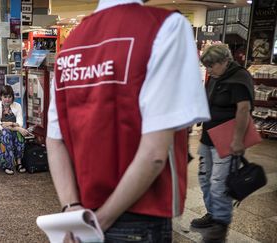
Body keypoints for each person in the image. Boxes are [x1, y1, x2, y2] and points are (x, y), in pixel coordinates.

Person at [46, 0, 210, 242]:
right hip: (139, 215)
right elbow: (154, 153)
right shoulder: (166, 27)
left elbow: (54, 140)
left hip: (81, 215)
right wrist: (103, 220)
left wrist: (71, 207)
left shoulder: (71, 45)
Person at [191, 44, 254, 242]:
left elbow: (243, 109)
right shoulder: (217, 76)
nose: (208, 70)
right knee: (204, 178)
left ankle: (221, 221)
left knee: (219, 183)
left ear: (225, 61)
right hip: (209, 135)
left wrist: (237, 140)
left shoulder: (239, 77)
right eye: (206, 66)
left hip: (227, 137)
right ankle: (212, 213)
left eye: (211, 66)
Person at [0, 85, 30, 175]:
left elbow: (20, 122)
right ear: (1, 96)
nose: (7, 99)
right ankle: (7, 164)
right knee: (6, 133)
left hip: (11, 132)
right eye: (5, 96)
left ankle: (19, 162)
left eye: (10, 96)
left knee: (19, 134)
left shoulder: (17, 106)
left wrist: (9, 124)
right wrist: (16, 127)